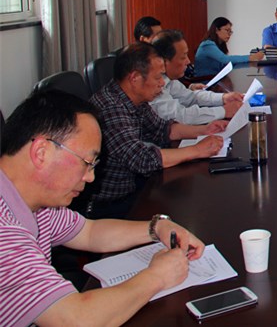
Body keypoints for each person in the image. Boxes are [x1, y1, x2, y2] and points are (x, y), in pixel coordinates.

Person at [0, 90, 205, 326]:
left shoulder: (34, 201)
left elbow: (89, 232)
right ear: (41, 152)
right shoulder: (5, 232)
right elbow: (76, 321)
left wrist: (157, 226)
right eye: (87, 163)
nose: (90, 177)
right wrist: (157, 276)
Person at [87, 43, 227, 219]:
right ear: (135, 78)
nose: (162, 83)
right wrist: (197, 150)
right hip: (113, 206)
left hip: (138, 187)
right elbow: (141, 159)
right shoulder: (111, 108)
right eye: (158, 77)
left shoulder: (135, 99)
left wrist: (204, 129)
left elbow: (163, 129)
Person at [151, 30, 244, 124]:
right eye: (183, 57)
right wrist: (224, 111)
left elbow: (191, 98)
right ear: (164, 62)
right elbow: (181, 116)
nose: (188, 61)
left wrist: (223, 98)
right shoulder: (152, 85)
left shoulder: (170, 80)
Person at [194, 17, 264, 76]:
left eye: (230, 31)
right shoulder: (207, 45)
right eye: (227, 30)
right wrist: (251, 57)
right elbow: (225, 59)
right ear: (216, 30)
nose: (229, 34)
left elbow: (224, 64)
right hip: (204, 82)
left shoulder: (218, 45)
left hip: (213, 79)